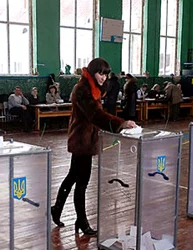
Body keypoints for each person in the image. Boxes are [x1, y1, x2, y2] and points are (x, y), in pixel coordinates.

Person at [51, 58, 136, 236]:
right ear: (92, 72)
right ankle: (81, 221)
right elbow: (95, 115)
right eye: (100, 73)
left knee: (73, 176)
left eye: (106, 74)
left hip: (87, 140)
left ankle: (57, 210)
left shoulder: (94, 89)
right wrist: (121, 123)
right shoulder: (82, 89)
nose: (104, 77)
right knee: (81, 181)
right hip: (81, 141)